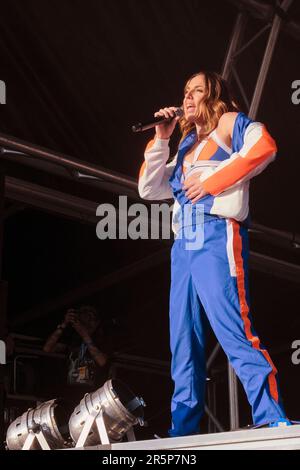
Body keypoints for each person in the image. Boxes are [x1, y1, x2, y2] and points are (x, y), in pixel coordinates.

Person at [138, 71, 290, 437]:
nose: (187, 98)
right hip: (183, 244)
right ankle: (183, 431)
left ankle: (272, 416)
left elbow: (265, 147)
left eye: (197, 91)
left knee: (234, 328)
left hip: (215, 233)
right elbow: (148, 187)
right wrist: (161, 138)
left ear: (214, 95)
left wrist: (211, 181)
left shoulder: (229, 122)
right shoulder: (187, 143)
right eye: (184, 91)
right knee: (182, 340)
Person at [43, 305, 111, 402]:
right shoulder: (73, 339)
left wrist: (84, 334)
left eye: (91, 317)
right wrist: (64, 324)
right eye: (85, 315)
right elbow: (47, 348)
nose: (88, 320)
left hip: (93, 395)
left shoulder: (102, 341)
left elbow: (102, 361)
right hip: (70, 392)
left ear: (97, 322)